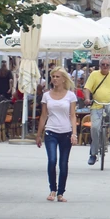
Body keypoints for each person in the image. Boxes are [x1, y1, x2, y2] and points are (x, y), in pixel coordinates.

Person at [35, 67, 78, 202]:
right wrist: (38, 134)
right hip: (50, 131)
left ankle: (61, 192)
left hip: (66, 132)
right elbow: (43, 115)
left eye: (57, 76)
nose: (54, 79)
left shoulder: (70, 95)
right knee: (52, 160)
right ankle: (52, 189)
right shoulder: (46, 95)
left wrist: (74, 134)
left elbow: (73, 116)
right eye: (53, 76)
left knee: (63, 163)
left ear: (64, 79)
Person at [83, 59, 110, 166]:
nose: (105, 66)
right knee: (95, 128)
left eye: (107, 65)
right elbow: (87, 89)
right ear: (99, 65)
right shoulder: (94, 74)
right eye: (103, 64)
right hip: (97, 104)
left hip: (109, 102)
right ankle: (93, 154)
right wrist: (87, 99)